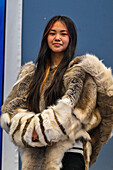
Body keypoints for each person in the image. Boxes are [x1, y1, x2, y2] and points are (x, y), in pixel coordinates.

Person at [1, 15, 113, 170]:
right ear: (46, 37)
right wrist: (29, 130)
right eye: (52, 33)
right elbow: (9, 112)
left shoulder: (80, 73)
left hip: (70, 154)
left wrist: (38, 130)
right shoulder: (31, 75)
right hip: (37, 158)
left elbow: (76, 114)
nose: (57, 38)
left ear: (71, 39)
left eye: (63, 34)